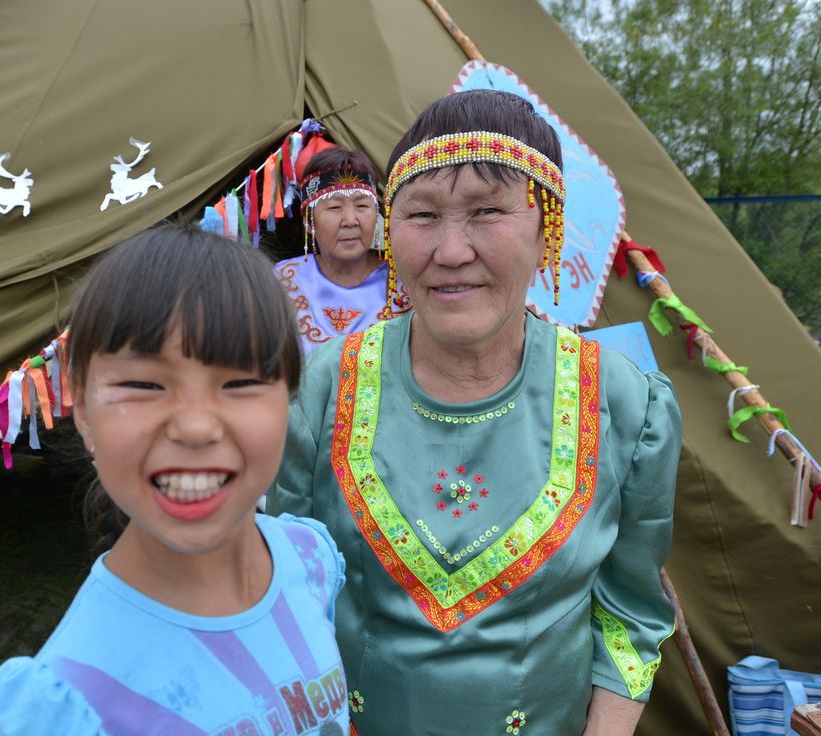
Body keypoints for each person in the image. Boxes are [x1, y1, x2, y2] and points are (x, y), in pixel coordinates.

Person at [269, 90, 682, 735]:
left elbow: (631, 615)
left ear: (548, 228)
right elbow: (279, 593)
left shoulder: (627, 404)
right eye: (422, 214)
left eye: (488, 212)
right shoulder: (317, 390)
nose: (451, 250)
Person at [0, 226, 351, 736]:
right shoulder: (68, 703)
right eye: (144, 385)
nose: (195, 427)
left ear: (288, 396)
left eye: (240, 383)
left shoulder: (309, 558)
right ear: (81, 408)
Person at [274, 147, 405, 353]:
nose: (350, 221)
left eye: (362, 206)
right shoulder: (281, 281)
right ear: (309, 221)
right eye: (334, 208)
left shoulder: (403, 284)